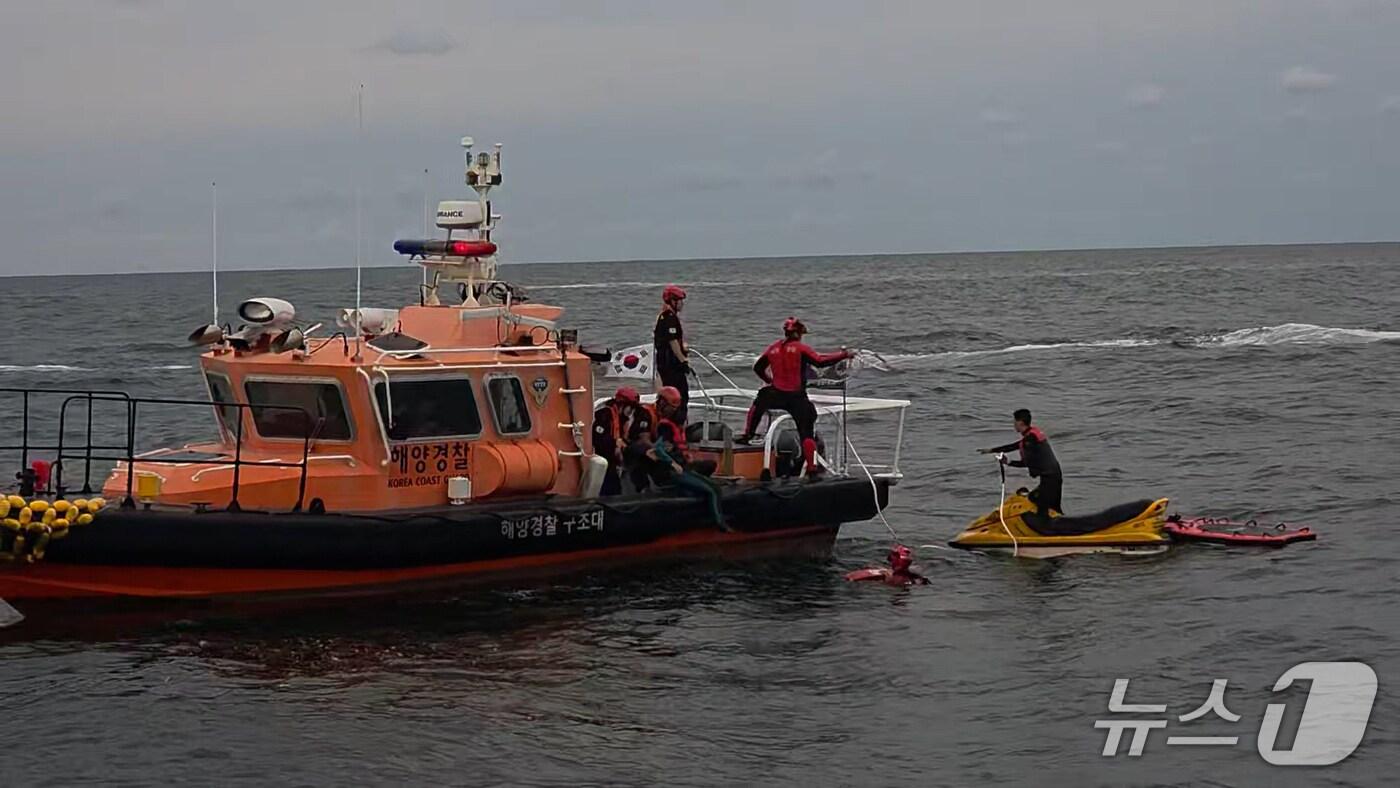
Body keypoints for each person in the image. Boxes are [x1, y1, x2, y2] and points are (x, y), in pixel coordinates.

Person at [735, 317, 851, 479]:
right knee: (806, 432)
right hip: (796, 397)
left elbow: (758, 368)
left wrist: (769, 380)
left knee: (760, 400)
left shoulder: (773, 348)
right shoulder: (800, 348)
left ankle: (748, 434)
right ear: (798, 333)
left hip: (776, 393)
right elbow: (820, 362)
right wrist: (843, 355)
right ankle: (812, 469)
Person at [645, 386, 724, 527]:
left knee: (714, 486)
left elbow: (665, 448)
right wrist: (672, 463)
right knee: (712, 491)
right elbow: (658, 448)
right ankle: (721, 525)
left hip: (683, 467)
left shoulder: (672, 425)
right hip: (675, 471)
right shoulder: (665, 427)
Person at [979, 408, 1063, 514]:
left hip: (1050, 479)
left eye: (1015, 422)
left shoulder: (1029, 440)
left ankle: (1047, 522)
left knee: (1038, 504)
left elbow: (1027, 463)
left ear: (1020, 423)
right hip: (1054, 476)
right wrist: (992, 450)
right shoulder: (1031, 435)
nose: (1013, 425)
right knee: (1053, 507)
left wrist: (1009, 462)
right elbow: (1015, 446)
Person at [592, 386, 654, 496]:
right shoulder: (604, 415)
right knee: (611, 486)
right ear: (622, 404)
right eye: (630, 407)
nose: (631, 412)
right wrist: (615, 444)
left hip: (614, 459)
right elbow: (597, 438)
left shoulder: (622, 420)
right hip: (603, 459)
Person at [652, 285, 691, 424]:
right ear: (673, 301)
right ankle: (676, 425)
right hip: (671, 365)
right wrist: (683, 360)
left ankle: (672, 424)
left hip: (666, 364)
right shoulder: (669, 318)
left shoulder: (665, 316)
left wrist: (683, 348)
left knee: (673, 394)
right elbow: (672, 341)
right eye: (680, 301)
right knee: (679, 396)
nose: (682, 304)